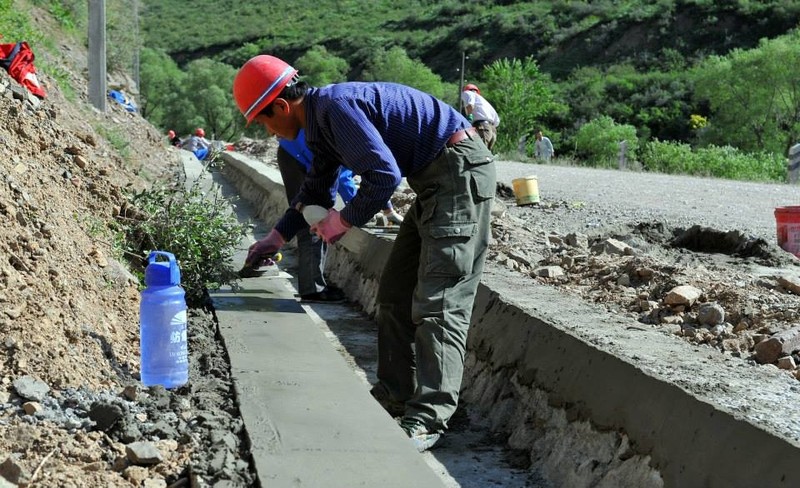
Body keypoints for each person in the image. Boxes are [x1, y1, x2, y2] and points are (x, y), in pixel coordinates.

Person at [233, 54, 496, 452]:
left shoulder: (336, 109)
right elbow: (315, 191)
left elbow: (384, 176)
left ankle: (429, 416)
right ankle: (396, 393)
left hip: (458, 175)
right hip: (435, 180)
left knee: (440, 301)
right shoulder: (319, 122)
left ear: (282, 107)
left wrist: (343, 221)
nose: (269, 132)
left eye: (264, 122)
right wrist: (275, 237)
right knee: (394, 292)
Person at [276, 129, 403, 302]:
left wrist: (388, 210)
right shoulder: (359, 144)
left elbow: (374, 178)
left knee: (310, 217)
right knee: (314, 221)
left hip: (293, 152)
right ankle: (312, 290)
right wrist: (362, 211)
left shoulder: (369, 141)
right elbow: (343, 178)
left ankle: (263, 262)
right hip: (298, 157)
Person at [460, 83, 500, 151]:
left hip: (482, 127)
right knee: (486, 154)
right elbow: (497, 121)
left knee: (479, 151)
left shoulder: (467, 93)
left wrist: (468, 118)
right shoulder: (484, 102)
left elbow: (470, 105)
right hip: (492, 130)